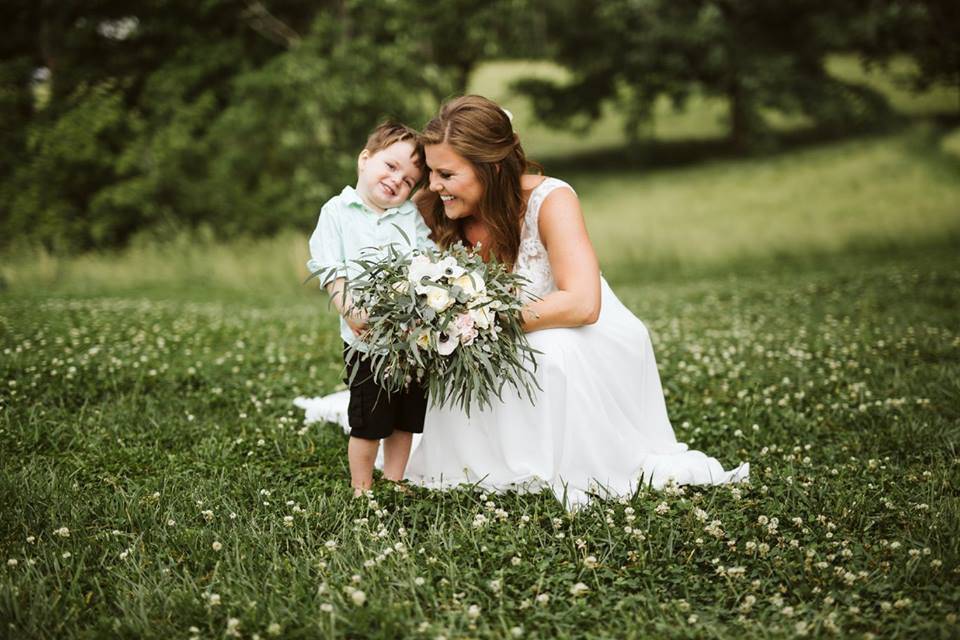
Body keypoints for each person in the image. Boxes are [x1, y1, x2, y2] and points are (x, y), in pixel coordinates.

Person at [298, 97, 748, 507]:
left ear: (491, 169)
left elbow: (582, 304)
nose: (432, 186)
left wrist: (474, 318)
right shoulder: (431, 205)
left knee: (550, 355)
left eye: (446, 174)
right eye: (429, 173)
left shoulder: (551, 199)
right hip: (480, 335)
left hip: (573, 331)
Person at [304, 121, 433, 496]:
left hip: (411, 342)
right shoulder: (337, 212)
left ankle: (394, 479)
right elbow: (330, 267)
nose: (397, 181)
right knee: (368, 420)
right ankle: (362, 487)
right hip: (366, 344)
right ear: (365, 159)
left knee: (405, 420)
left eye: (409, 180)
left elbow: (427, 260)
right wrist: (349, 309)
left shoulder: (409, 216)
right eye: (391, 166)